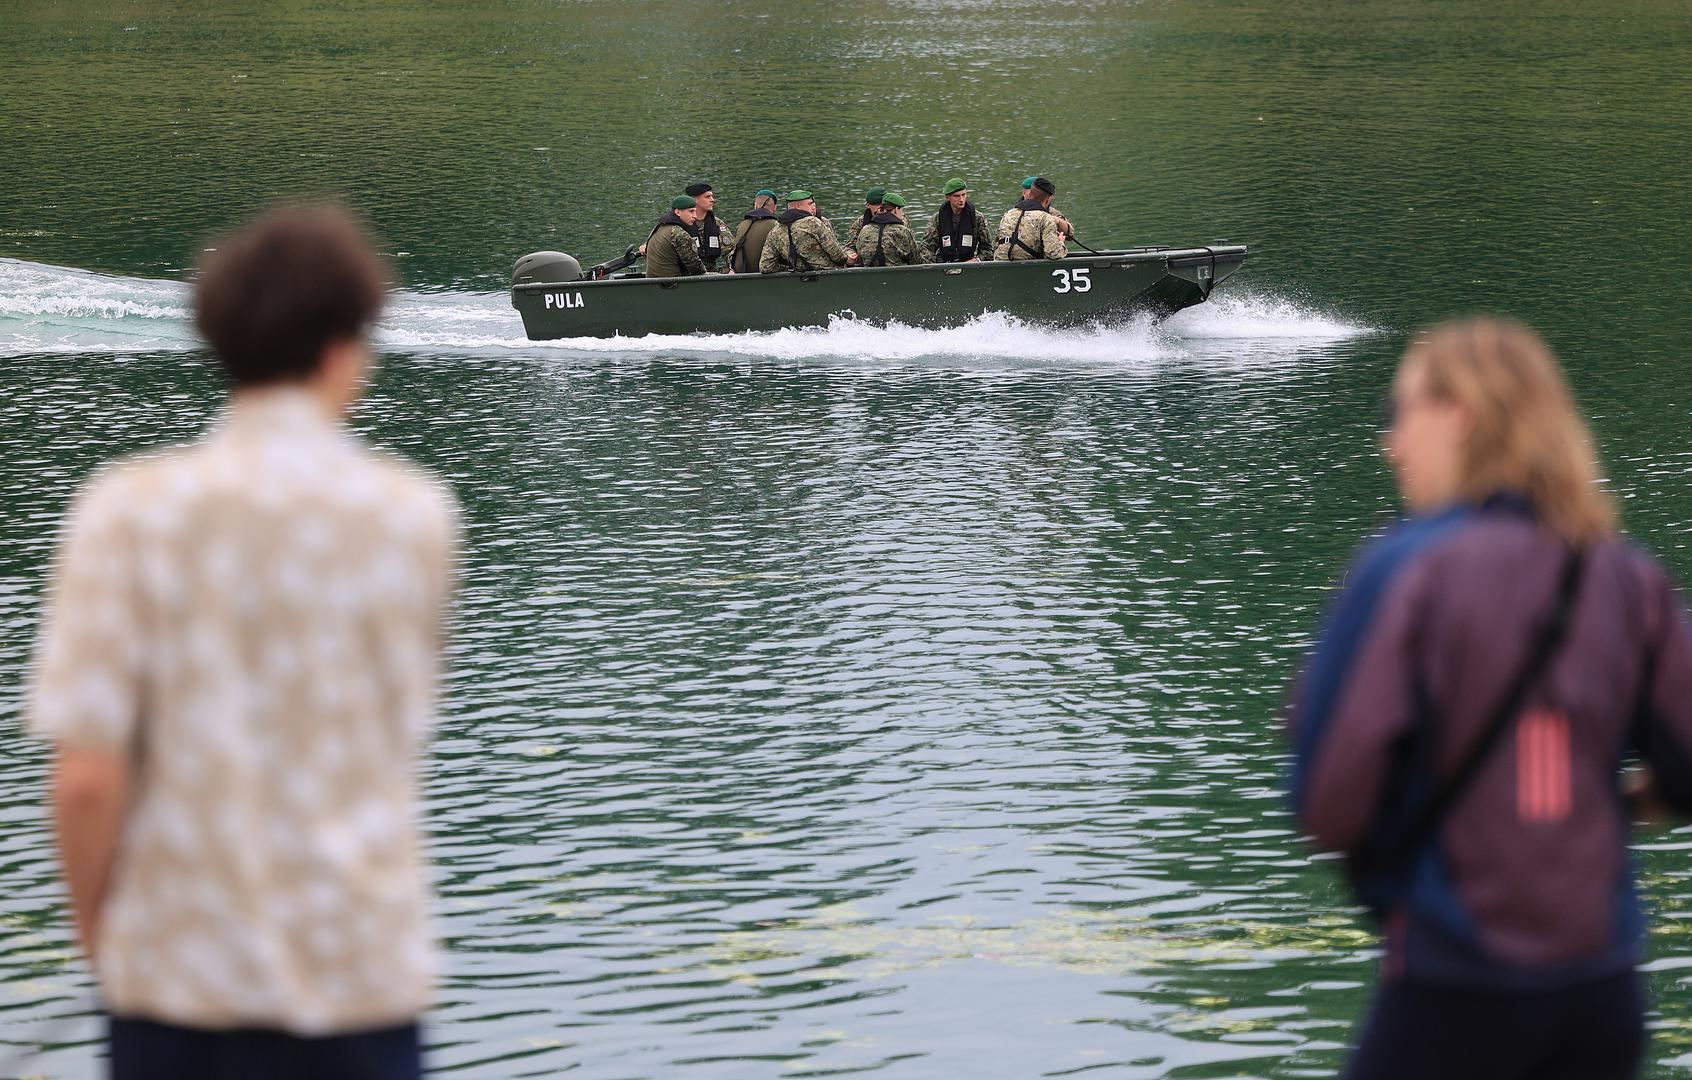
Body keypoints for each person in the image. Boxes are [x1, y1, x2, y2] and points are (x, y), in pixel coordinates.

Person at [26, 203, 458, 1080]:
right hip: (359, 980)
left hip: (177, 986)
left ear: (217, 342)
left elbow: (87, 779)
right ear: (344, 348)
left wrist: (107, 945)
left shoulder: (124, 511)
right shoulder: (415, 517)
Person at [1286, 317, 1692, 1080]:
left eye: (1400, 413)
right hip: (1602, 988)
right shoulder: (1623, 573)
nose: (1390, 444)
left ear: (1459, 416)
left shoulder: (1405, 569)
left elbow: (1327, 801)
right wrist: (1611, 806)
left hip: (1457, 980)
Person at [758, 190, 858, 273]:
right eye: (810, 204)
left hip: (798, 278)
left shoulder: (775, 231)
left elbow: (766, 266)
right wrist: (848, 259)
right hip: (829, 275)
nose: (814, 207)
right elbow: (837, 255)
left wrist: (788, 269)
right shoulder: (813, 222)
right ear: (797, 206)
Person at [994, 176, 1067, 261]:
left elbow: (996, 244)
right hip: (1028, 266)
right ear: (1047, 200)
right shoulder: (1046, 218)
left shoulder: (1008, 213)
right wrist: (1060, 242)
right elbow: (1053, 254)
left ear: (1029, 195)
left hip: (1000, 263)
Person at [922, 177, 994, 263]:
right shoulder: (937, 219)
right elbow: (927, 248)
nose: (961, 199)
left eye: (963, 195)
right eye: (957, 196)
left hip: (969, 263)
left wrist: (976, 260)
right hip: (944, 263)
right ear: (947, 197)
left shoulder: (977, 218)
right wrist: (936, 264)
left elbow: (988, 249)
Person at [850, 193, 922, 267]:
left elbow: (860, 256)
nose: (902, 214)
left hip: (869, 273)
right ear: (896, 210)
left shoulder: (864, 230)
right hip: (898, 272)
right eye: (901, 210)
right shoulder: (903, 231)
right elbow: (917, 261)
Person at [643, 195, 706, 278]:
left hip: (652, 282)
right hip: (672, 283)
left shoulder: (658, 227)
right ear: (678, 212)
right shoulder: (678, 233)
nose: (695, 216)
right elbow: (695, 267)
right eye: (691, 211)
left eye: (695, 211)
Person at [725, 188, 780, 275]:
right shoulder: (776, 225)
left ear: (755, 205)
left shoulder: (741, 225)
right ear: (775, 208)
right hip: (765, 274)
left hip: (741, 273)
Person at [684, 182, 733, 271]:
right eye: (707, 197)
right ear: (694, 200)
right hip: (687, 272)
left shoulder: (717, 223)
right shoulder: (682, 223)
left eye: (712, 196)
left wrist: (732, 268)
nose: (712, 200)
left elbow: (730, 250)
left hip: (711, 271)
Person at [1018, 174, 1074, 239]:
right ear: (1024, 193)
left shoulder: (1050, 212)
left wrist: (1058, 221)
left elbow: (1069, 234)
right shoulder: (1016, 212)